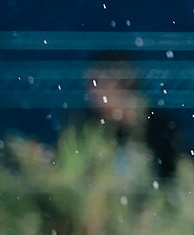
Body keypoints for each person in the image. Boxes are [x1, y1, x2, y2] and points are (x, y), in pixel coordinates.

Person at [70, 54, 184, 182]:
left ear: (124, 86)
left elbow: (176, 171)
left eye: (100, 85)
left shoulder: (158, 128)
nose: (93, 94)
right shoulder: (88, 127)